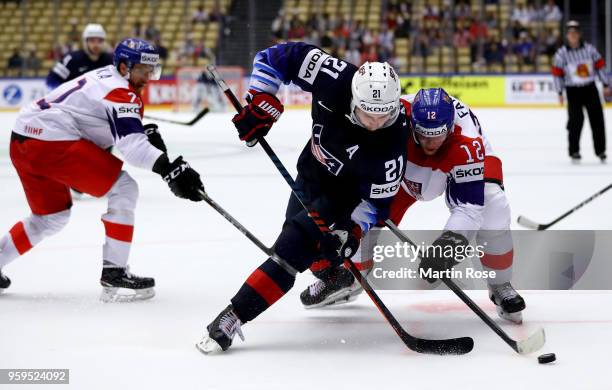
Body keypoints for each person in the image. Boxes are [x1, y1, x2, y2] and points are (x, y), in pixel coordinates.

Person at [196, 42, 409, 353]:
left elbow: (376, 204)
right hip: (310, 174)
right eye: (367, 114)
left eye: (383, 115)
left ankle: (233, 315)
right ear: (353, 99)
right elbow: (274, 58)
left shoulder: (393, 142)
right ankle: (336, 277)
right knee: (311, 246)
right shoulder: (334, 76)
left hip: (343, 196)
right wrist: (261, 100)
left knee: (290, 249)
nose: (376, 124)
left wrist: (352, 232)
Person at [0, 38, 205, 301]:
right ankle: (115, 272)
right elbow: (133, 148)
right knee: (125, 188)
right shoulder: (121, 92)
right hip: (49, 141)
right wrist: (170, 169)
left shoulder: (107, 78)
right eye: (143, 69)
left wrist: (142, 131)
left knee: (51, 217)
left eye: (152, 70)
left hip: (23, 139)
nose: (149, 77)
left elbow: (101, 122)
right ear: (123, 67)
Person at [300, 88, 526, 324]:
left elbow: (468, 208)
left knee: (493, 206)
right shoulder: (389, 119)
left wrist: (448, 247)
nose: (430, 143)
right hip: (404, 167)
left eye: (437, 135)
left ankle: (501, 284)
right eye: (424, 135)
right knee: (358, 212)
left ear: (450, 128)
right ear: (411, 124)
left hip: (457, 160)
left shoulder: (467, 142)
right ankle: (353, 275)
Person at [552, 20, 610, 163]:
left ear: (579, 34)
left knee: (597, 120)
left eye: (575, 33)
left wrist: (605, 84)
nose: (573, 36)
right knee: (575, 121)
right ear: (567, 35)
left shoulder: (590, 50)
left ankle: (601, 151)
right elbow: (557, 74)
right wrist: (559, 92)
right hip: (573, 91)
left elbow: (600, 66)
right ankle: (574, 151)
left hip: (590, 88)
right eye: (570, 33)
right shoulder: (561, 54)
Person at [46, 24, 113, 90]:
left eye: (100, 41)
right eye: (92, 40)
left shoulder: (110, 60)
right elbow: (51, 81)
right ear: (85, 42)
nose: (96, 45)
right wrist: (66, 92)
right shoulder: (71, 59)